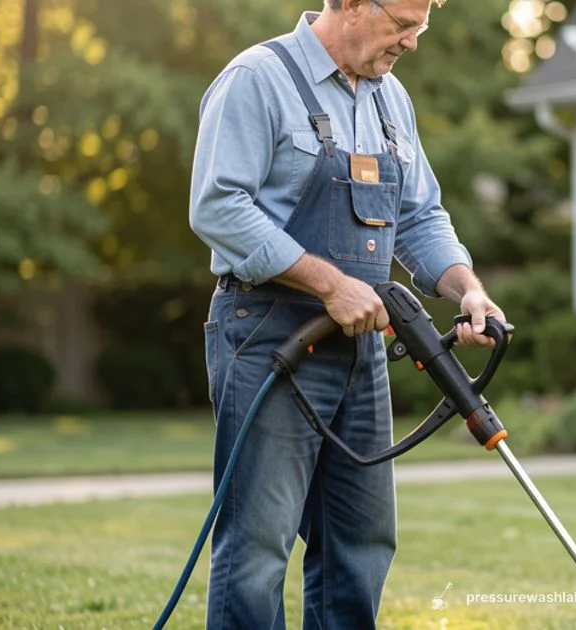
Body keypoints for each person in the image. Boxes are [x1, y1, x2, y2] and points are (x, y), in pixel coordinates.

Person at [187, 1, 505, 627]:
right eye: (403, 27)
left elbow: (418, 217)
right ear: (353, 4)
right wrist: (331, 284)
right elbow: (218, 207)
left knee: (360, 544)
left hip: (360, 346)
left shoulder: (392, 101)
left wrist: (466, 287)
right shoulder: (258, 78)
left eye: (422, 28)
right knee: (257, 549)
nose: (412, 44)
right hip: (269, 337)